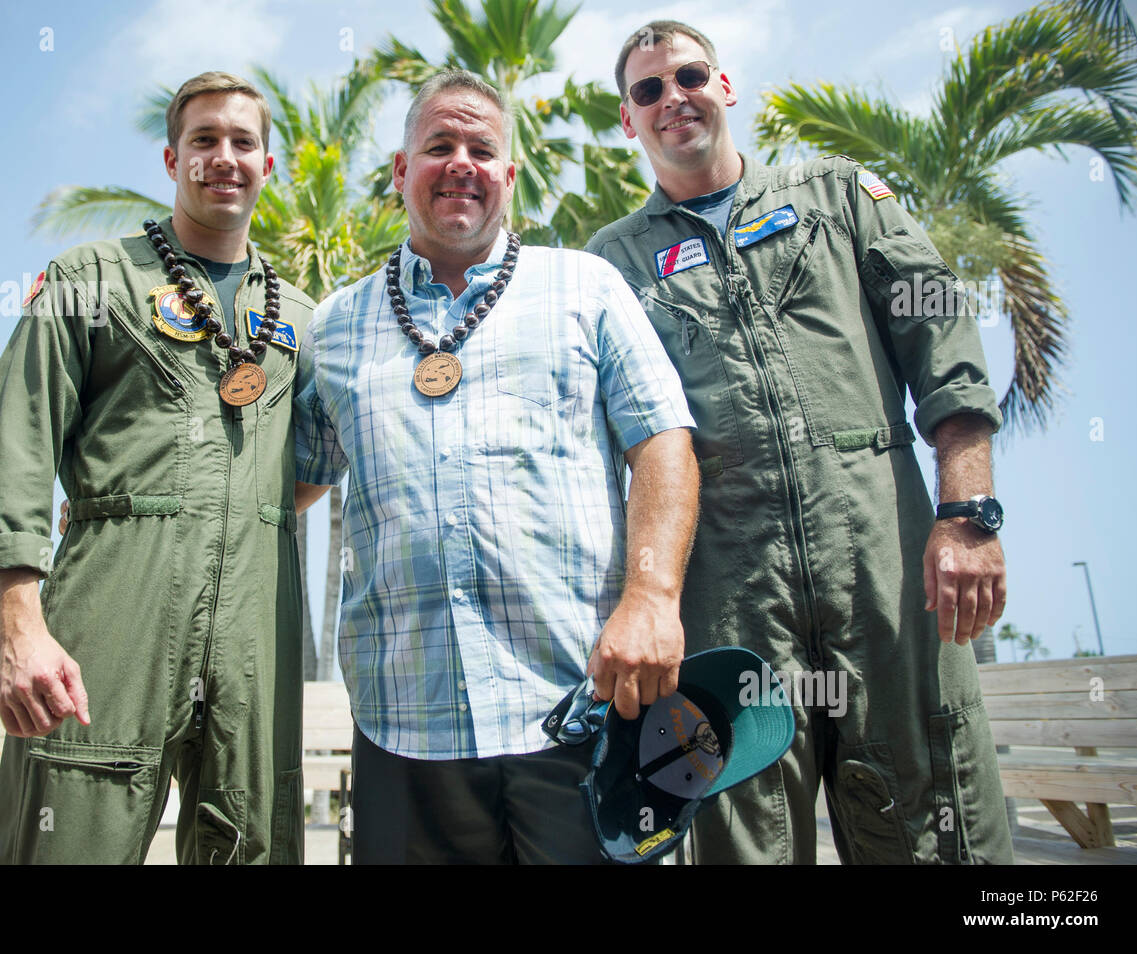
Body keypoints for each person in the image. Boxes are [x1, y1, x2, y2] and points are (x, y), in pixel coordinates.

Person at [586, 21, 1014, 864]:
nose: (674, 98)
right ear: (628, 121)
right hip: (727, 601)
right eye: (648, 90)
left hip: (885, 572)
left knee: (934, 817)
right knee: (745, 836)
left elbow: (940, 332)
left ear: (726, 85)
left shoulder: (838, 196)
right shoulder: (612, 265)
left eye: (690, 75)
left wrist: (968, 509)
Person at [293, 69, 700, 864]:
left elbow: (663, 442)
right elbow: (296, 482)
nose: (461, 163)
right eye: (438, 145)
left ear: (509, 175)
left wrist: (652, 598)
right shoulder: (337, 325)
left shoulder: (585, 287)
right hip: (402, 724)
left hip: (582, 707)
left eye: (482, 148)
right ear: (400, 171)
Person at [0, 71, 318, 864]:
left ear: (268, 164)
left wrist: (241, 518)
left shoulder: (299, 316)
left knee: (257, 835)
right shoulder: (86, 281)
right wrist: (19, 629)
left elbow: (318, 456)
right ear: (171, 160)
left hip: (258, 625)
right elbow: (15, 446)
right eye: (204, 140)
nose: (224, 157)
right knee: (71, 833)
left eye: (243, 141)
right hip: (112, 612)